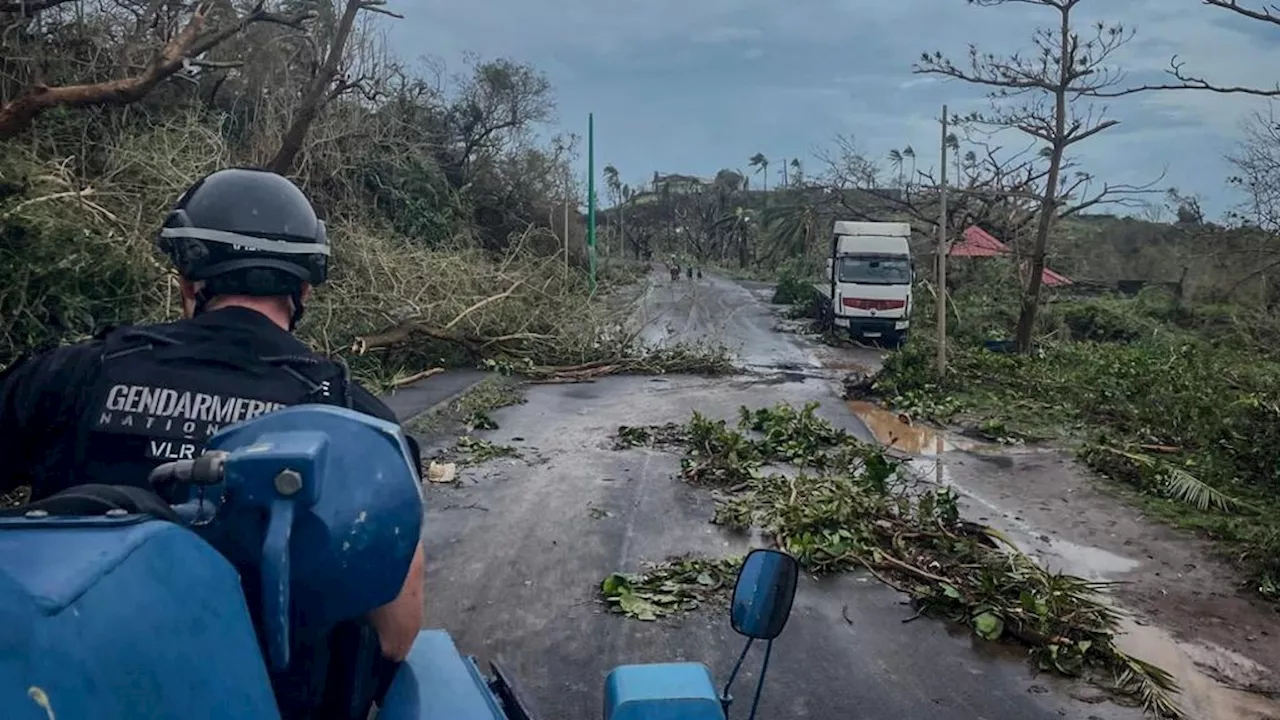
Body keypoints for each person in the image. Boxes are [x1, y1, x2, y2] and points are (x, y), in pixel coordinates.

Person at [0, 167, 424, 716]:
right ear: (303, 290)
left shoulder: (69, 376)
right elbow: (397, 633)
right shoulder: (353, 419)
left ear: (188, 281)